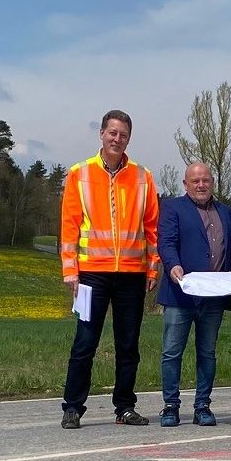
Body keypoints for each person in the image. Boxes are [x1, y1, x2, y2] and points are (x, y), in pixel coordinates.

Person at [59, 109, 160, 428]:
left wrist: (153, 268)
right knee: (85, 341)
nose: (117, 139)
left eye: (123, 135)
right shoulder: (80, 172)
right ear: (101, 134)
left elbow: (152, 227)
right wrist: (70, 269)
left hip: (131, 274)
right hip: (91, 274)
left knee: (128, 344)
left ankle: (125, 406)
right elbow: (69, 226)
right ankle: (73, 406)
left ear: (129, 139)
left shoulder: (143, 176)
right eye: (112, 133)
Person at [156, 162, 231, 427]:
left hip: (214, 297)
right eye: (195, 181)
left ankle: (203, 405)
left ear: (213, 182)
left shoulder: (226, 212)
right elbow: (166, 242)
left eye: (205, 180)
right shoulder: (173, 208)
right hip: (180, 294)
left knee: (207, 352)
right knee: (172, 352)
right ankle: (171, 406)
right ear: (186, 185)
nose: (201, 185)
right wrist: (173, 265)